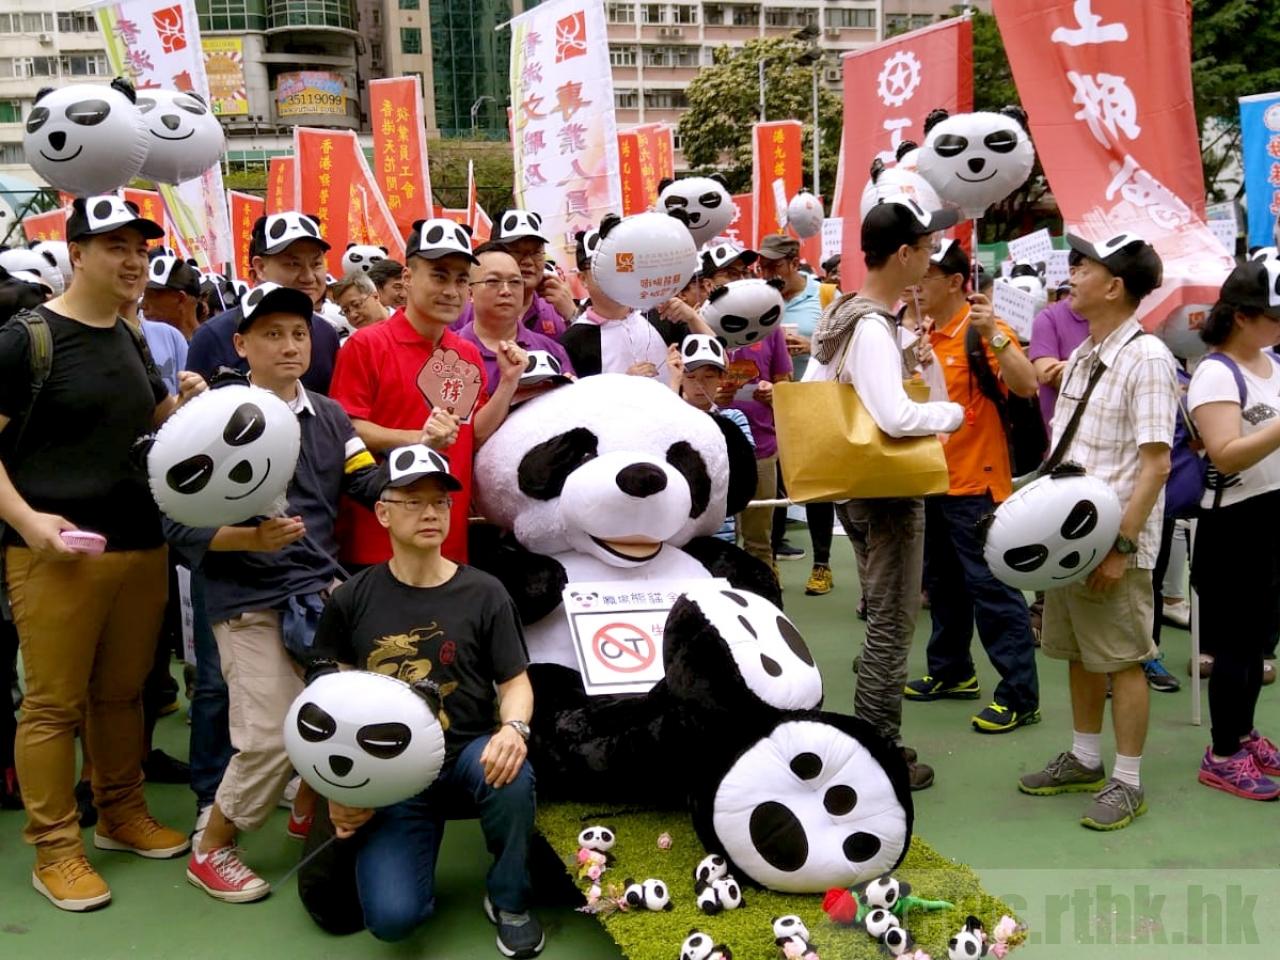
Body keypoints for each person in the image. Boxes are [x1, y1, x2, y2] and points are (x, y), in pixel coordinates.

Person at [0, 195, 203, 911]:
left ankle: (121, 814)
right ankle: (55, 848)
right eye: (114, 246)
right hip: (56, 553)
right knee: (53, 706)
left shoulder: (133, 335)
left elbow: (143, 426)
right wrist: (27, 521)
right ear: (76, 252)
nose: (133, 261)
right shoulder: (27, 338)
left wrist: (183, 404)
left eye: (141, 249)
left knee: (122, 694)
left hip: (140, 543)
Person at [166, 283, 385, 902]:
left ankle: (307, 804)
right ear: (241, 345)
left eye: (298, 333)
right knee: (266, 737)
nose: (290, 345)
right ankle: (210, 850)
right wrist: (249, 540)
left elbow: (364, 481)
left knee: (335, 715)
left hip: (320, 590)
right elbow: (178, 527)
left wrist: (417, 475)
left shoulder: (330, 413)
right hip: (246, 602)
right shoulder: (214, 418)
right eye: (271, 334)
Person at [299, 445, 542, 958]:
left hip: (468, 755)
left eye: (440, 502)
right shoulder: (352, 598)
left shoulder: (485, 593)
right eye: (412, 501)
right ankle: (410, 873)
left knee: (511, 772)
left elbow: (516, 681)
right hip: (389, 772)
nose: (430, 512)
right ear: (382, 512)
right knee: (391, 921)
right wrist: (336, 787)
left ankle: (510, 899)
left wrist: (512, 730)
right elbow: (324, 702)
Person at [1017, 232, 1176, 831]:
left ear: (1113, 286)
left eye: (1083, 266)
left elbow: (1156, 463)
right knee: (1081, 653)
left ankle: (1128, 781)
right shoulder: (1085, 352)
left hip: (1113, 542)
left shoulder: (1149, 358)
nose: (1073, 273)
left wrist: (1123, 547)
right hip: (1069, 538)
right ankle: (1085, 758)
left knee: (1124, 659)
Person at [805, 196, 965, 790]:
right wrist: (949, 415)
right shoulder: (872, 323)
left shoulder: (844, 314)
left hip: (857, 485)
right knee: (893, 621)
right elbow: (896, 417)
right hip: (889, 491)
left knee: (884, 613)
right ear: (903, 253)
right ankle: (879, 746)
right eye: (925, 250)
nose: (929, 261)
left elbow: (822, 389)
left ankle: (873, 737)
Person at [901, 239, 1042, 733]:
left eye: (928, 273)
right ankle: (952, 672)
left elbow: (1026, 386)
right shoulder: (926, 335)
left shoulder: (984, 331)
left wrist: (996, 337)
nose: (917, 280)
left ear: (957, 282)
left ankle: (1020, 696)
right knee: (943, 587)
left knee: (992, 592)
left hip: (978, 487)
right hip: (934, 482)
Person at [329, 218, 525, 570]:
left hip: (448, 541)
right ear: (407, 278)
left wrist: (508, 382)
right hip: (380, 542)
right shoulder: (366, 345)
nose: (452, 290)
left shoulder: (464, 353)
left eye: (461, 279)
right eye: (439, 275)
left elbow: (471, 432)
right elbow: (346, 429)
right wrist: (417, 440)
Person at [1187, 259, 1280, 800]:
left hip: (1270, 515)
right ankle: (1222, 754)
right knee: (1237, 647)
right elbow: (1226, 453)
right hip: (1233, 521)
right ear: (1242, 316)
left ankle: (1243, 735)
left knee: (1261, 642)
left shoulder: (1270, 362)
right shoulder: (1217, 373)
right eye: (1272, 316)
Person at [187, 213, 341, 394]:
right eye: (293, 264)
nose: (308, 277)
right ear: (260, 268)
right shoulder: (214, 336)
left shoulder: (327, 335)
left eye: (316, 264)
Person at [759, 234, 834, 589]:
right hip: (773, 402)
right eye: (762, 266)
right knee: (776, 485)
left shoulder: (825, 296)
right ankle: (770, 562)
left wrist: (810, 345)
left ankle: (822, 564)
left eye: (774, 266)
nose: (768, 273)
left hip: (814, 402)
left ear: (793, 262)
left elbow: (843, 346)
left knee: (816, 486)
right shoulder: (759, 299)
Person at [560, 226, 680, 385]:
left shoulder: (661, 314)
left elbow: (718, 361)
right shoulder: (573, 342)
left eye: (620, 265)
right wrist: (624, 384)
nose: (614, 276)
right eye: (602, 268)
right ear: (583, 278)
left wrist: (692, 318)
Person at [459, 248, 574, 394]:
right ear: (470, 292)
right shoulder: (449, 352)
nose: (506, 291)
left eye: (515, 282)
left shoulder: (551, 350)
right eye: (493, 281)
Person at [674, 334, 755, 544]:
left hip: (722, 527)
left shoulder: (734, 418)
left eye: (708, 377)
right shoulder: (670, 418)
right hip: (676, 525)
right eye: (691, 377)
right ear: (680, 378)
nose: (699, 384)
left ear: (721, 378)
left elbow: (743, 468)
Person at [453, 209, 576, 337]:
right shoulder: (462, 313)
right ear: (493, 253)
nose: (528, 261)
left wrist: (573, 317)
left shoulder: (555, 310)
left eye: (535, 253)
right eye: (517, 252)